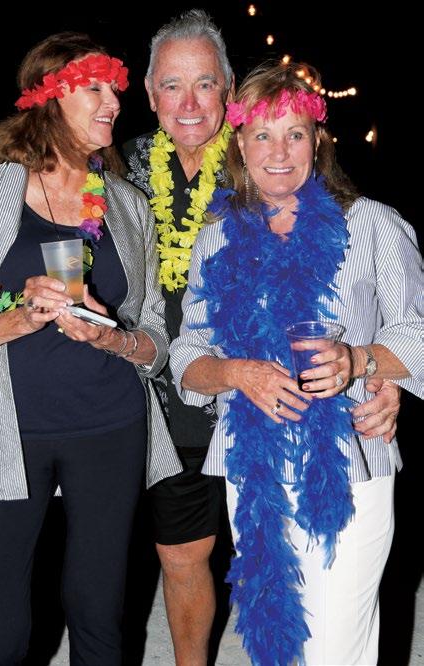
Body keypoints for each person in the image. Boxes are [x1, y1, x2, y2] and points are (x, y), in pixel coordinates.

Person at [124, 10, 402, 665]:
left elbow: (414, 328)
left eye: (294, 134)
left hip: (348, 456)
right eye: (263, 136)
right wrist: (235, 373)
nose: (279, 152)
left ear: (316, 142)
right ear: (240, 147)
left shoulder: (371, 225)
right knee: (272, 637)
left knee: (334, 645)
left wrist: (366, 362)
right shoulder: (214, 235)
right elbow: (188, 354)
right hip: (249, 465)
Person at [0, 32, 181, 665]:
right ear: (48, 97)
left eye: (115, 89)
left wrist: (111, 336)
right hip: (11, 427)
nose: (113, 102)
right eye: (94, 88)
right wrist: (13, 320)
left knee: (98, 611)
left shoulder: (128, 206)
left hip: (111, 425)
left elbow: (156, 343)